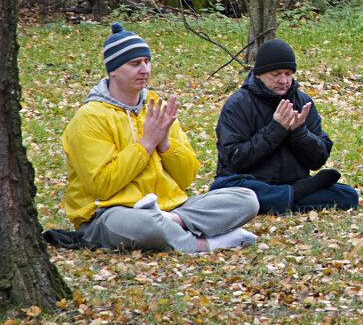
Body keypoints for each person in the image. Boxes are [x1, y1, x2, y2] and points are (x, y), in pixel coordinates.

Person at [61, 23, 259, 253]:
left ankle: (172, 223)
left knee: (247, 199)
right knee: (147, 226)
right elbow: (101, 186)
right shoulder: (90, 117)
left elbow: (185, 179)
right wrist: (146, 144)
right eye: (135, 64)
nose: (144, 69)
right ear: (112, 70)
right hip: (111, 213)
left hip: (171, 208)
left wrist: (164, 144)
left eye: (147, 61)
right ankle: (204, 244)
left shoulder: (157, 106)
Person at [210, 39, 359, 214]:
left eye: (288, 74)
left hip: (290, 183)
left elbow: (317, 160)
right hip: (250, 185)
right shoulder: (238, 104)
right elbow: (236, 160)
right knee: (222, 189)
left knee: (348, 195)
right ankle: (294, 196)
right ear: (259, 74)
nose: (283, 80)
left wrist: (298, 132)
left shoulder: (303, 102)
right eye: (276, 74)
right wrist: (277, 128)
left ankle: (283, 198)